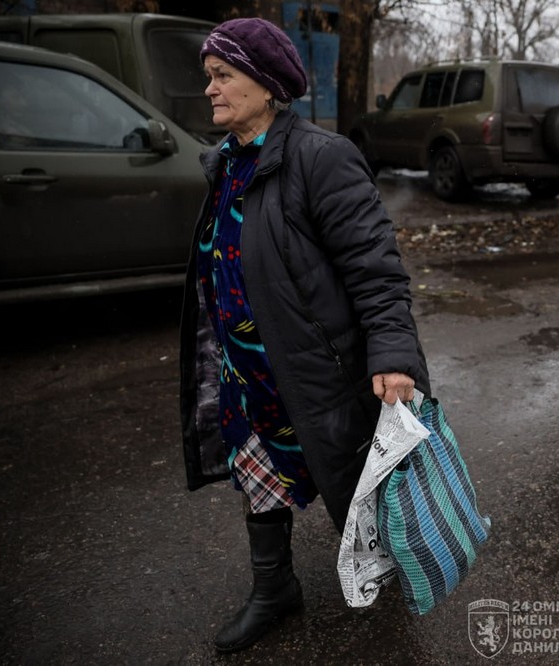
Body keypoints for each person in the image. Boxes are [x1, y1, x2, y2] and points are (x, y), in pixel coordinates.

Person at [178, 18, 430, 653]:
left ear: (266, 84)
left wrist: (393, 354)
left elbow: (374, 265)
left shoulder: (321, 157)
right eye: (209, 76)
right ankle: (274, 589)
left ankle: (398, 582)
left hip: (315, 375)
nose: (210, 89)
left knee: (358, 483)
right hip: (247, 373)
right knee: (255, 471)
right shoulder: (228, 162)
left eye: (222, 75)